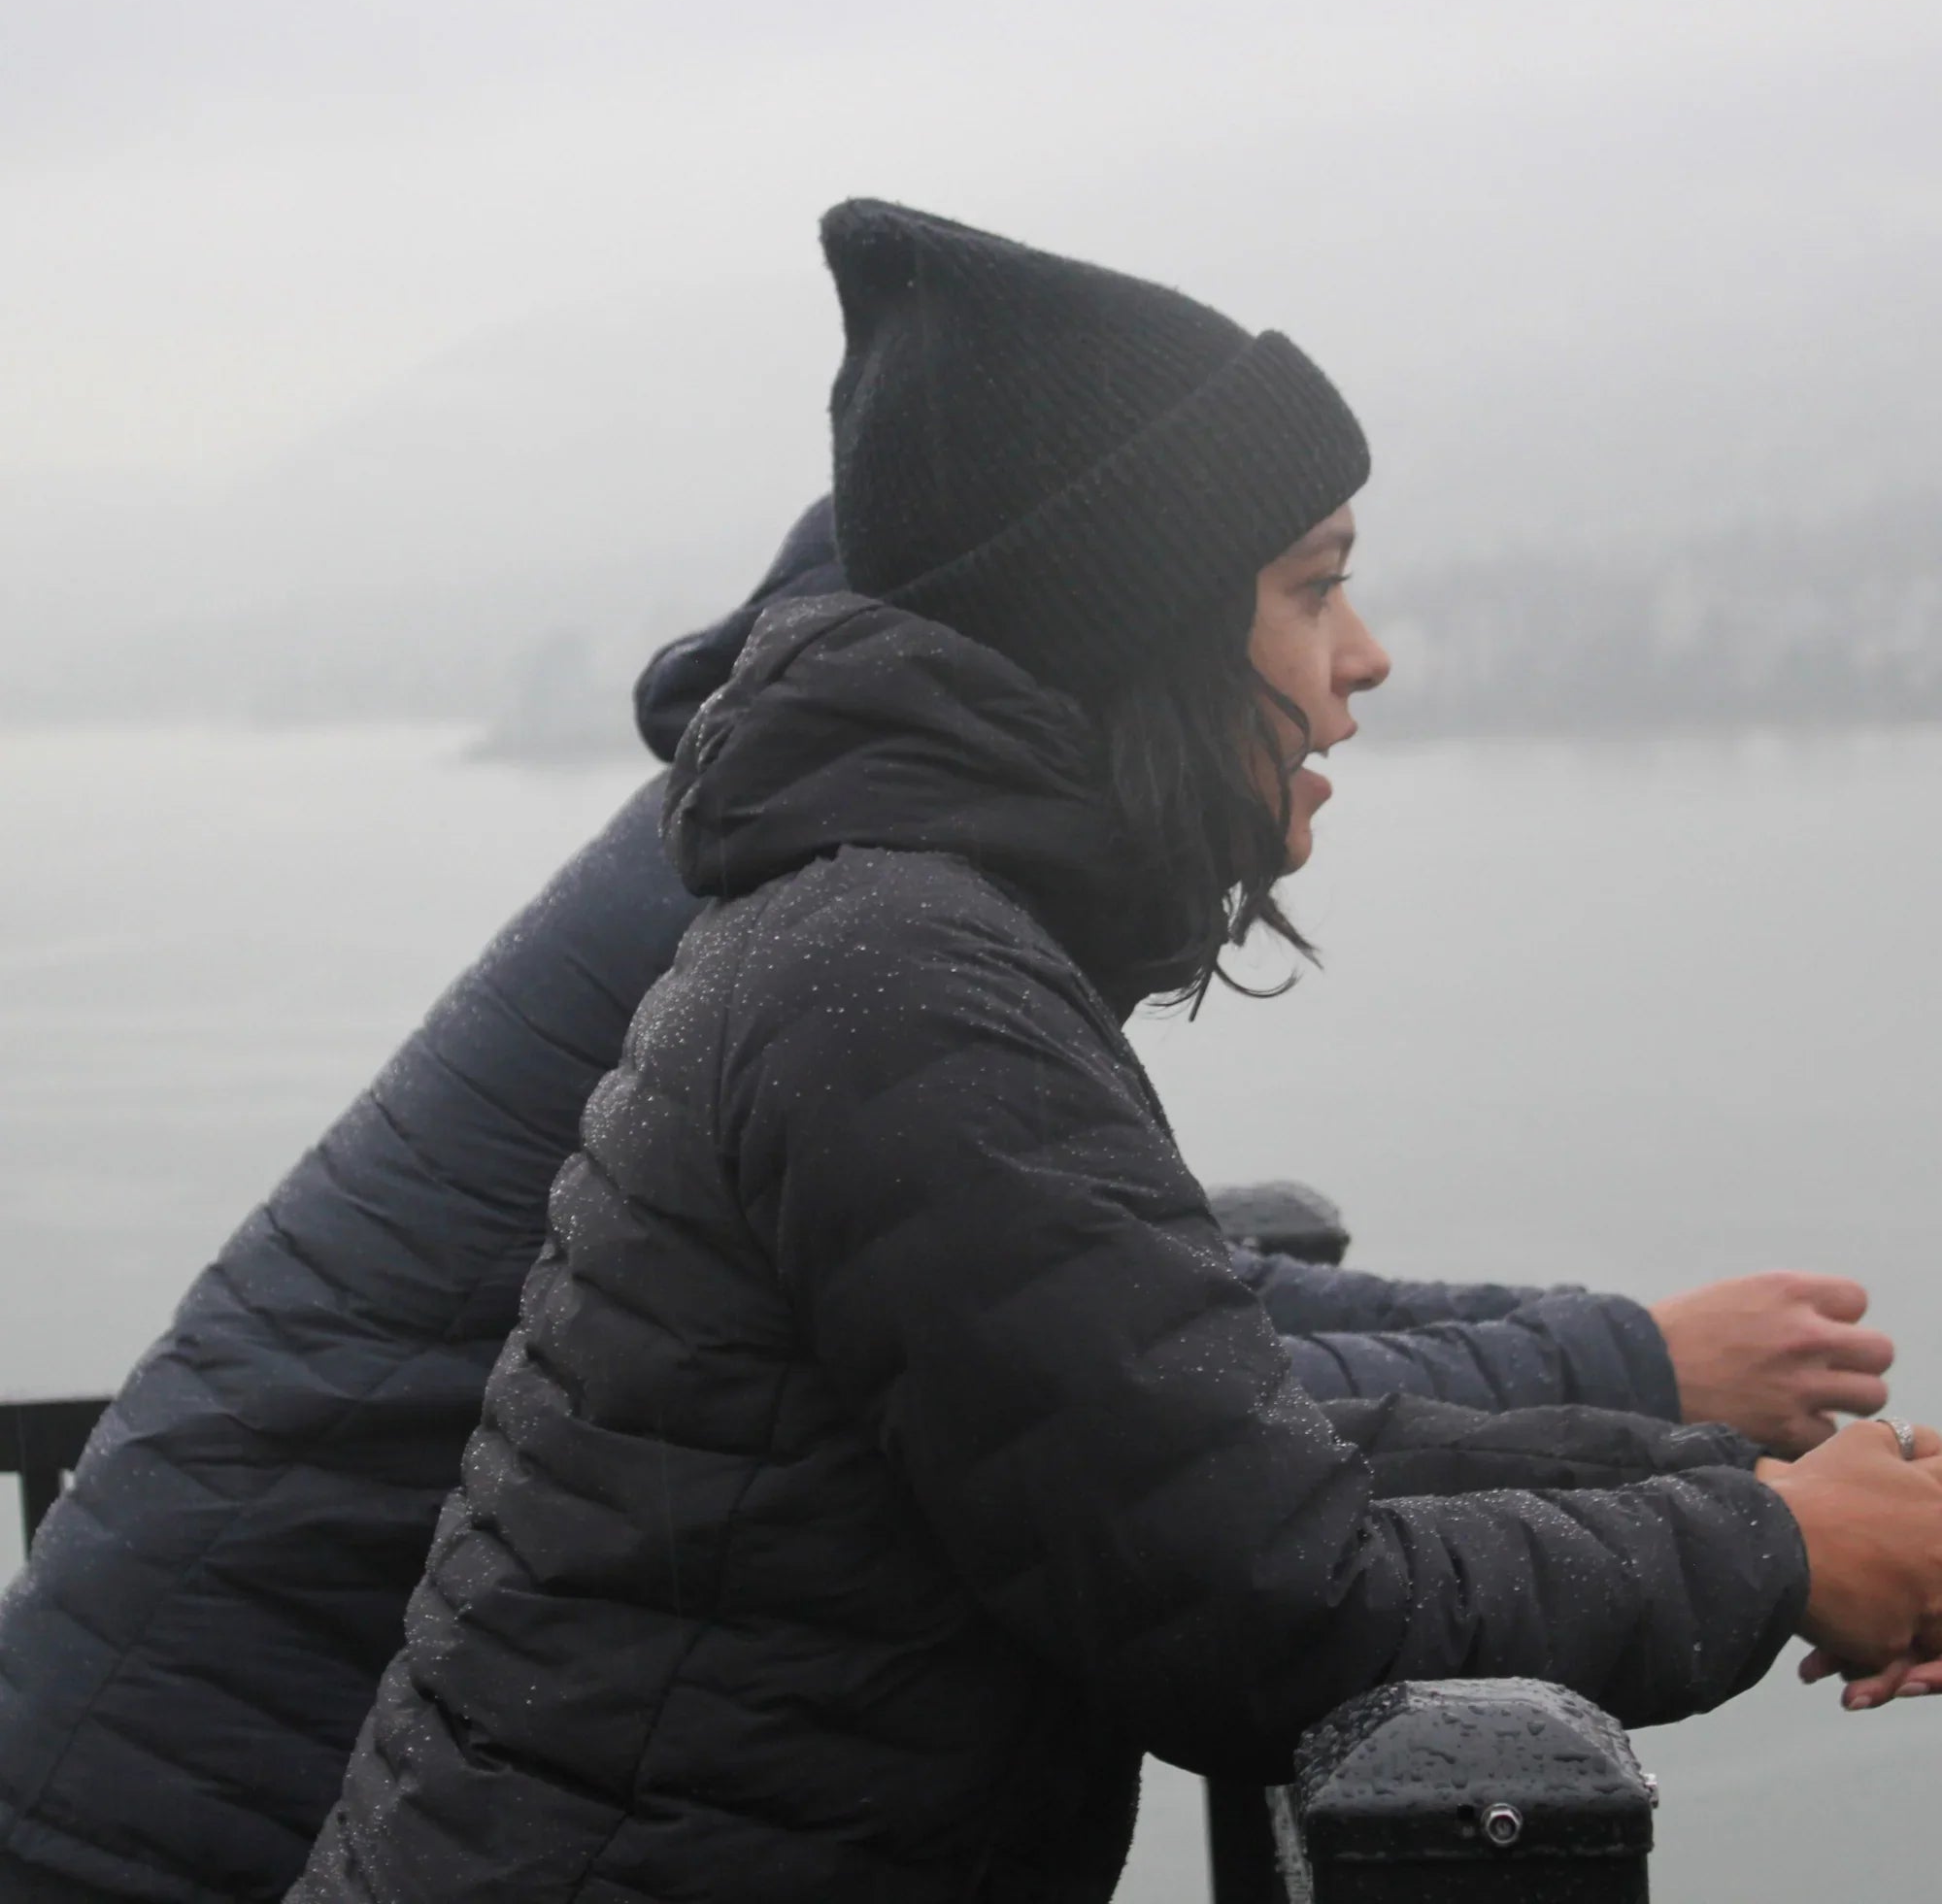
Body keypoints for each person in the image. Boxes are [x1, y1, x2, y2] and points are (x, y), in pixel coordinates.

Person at [0, 353, 1908, 1904]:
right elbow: (1245, 1566)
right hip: (186, 1792)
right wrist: (1764, 1544)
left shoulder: (868, 922)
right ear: (1113, 620)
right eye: (1313, 583)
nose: (1374, 655)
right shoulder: (893, 977)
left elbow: (1148, 1406)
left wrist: (1713, 1478)